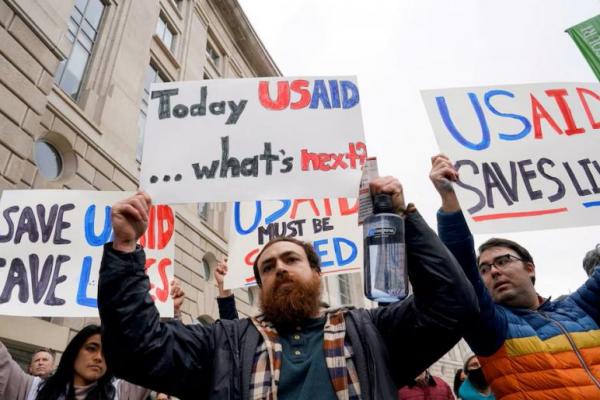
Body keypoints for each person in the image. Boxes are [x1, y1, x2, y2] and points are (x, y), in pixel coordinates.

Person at [98, 176, 478, 399]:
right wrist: (125, 250)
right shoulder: (225, 343)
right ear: (260, 284)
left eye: (291, 260)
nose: (279, 268)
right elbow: (138, 350)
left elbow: (453, 304)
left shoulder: (370, 331)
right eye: (268, 267)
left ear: (317, 273)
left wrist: (403, 217)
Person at [430, 154, 600, 399]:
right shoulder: (492, 327)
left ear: (529, 268)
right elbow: (459, 267)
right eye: (485, 269)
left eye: (502, 261)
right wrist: (449, 198)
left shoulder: (580, 307)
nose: (494, 271)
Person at [0, 324, 149, 400]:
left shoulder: (121, 393)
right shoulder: (30, 388)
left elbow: (158, 357)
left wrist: (173, 313)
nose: (99, 357)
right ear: (74, 352)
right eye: (91, 348)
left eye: (106, 353)